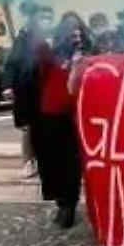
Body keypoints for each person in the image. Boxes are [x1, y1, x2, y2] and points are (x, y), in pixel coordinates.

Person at [30, 12, 92, 228]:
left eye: (78, 31)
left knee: (70, 164)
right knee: (54, 162)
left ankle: (69, 206)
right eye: (70, 31)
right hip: (51, 114)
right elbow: (36, 55)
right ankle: (62, 202)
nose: (75, 36)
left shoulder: (87, 54)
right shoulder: (49, 54)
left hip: (76, 114)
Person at [3, 2, 53, 177]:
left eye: (48, 18)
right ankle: (29, 161)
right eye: (42, 18)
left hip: (50, 90)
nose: (46, 21)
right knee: (29, 128)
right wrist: (8, 86)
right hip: (29, 91)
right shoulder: (24, 38)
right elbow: (12, 63)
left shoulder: (55, 37)